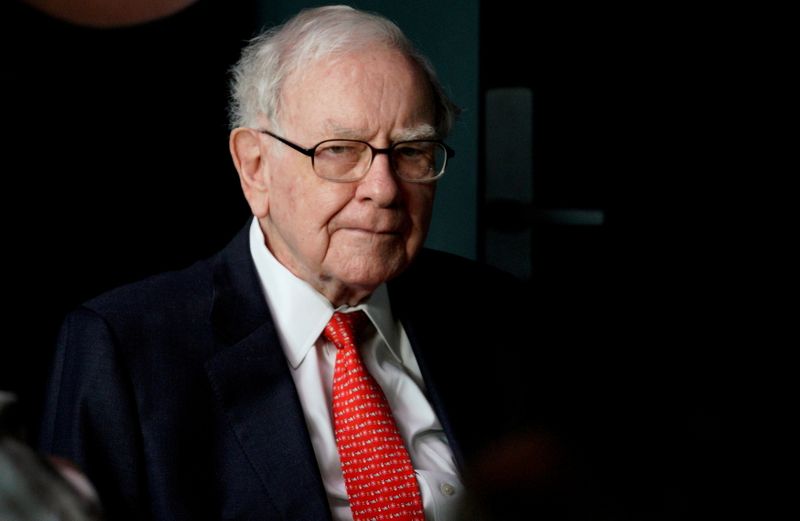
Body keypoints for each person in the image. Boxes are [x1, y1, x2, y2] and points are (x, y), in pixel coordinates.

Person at [38, 5, 545, 520]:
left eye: (412, 150)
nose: (384, 189)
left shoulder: (498, 315)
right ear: (254, 167)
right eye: (340, 150)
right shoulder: (125, 350)